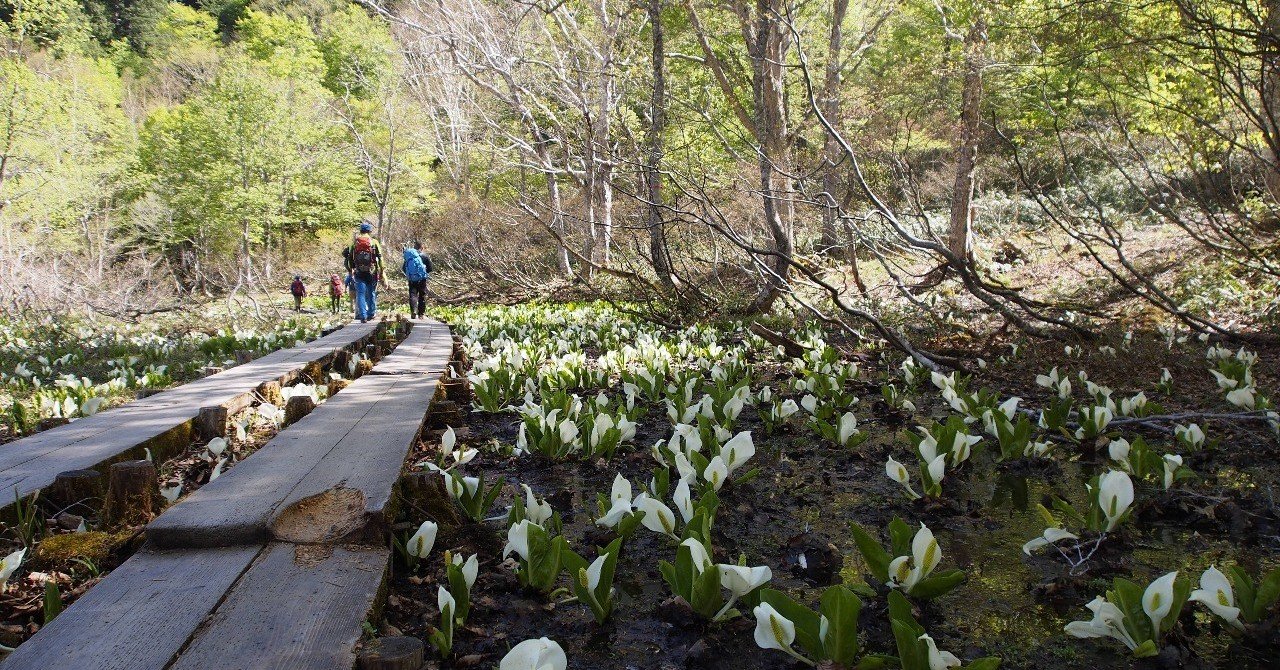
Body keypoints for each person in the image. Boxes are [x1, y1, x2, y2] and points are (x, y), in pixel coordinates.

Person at [343, 221, 384, 323]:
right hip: (372, 271)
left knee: (360, 294)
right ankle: (371, 313)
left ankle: (363, 316)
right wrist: (381, 270)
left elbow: (349, 257)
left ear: (361, 231)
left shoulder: (354, 243)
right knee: (371, 292)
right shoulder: (374, 242)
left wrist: (350, 270)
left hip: (358, 271)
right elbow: (380, 257)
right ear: (369, 231)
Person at [402, 241, 431, 319]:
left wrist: (410, 275)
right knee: (422, 296)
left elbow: (404, 268)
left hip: (411, 279)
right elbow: (429, 269)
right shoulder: (425, 257)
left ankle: (413, 311)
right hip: (422, 279)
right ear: (421, 248)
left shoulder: (409, 257)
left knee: (413, 295)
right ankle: (421, 314)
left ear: (414, 247)